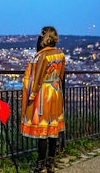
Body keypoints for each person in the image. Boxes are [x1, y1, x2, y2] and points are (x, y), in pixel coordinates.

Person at [21, 26, 66, 173]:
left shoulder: (42, 56)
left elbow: (37, 77)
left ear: (44, 38)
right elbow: (62, 75)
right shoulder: (60, 54)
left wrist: (31, 96)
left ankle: (41, 166)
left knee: (43, 131)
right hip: (56, 91)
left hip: (44, 94)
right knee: (53, 130)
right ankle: (51, 164)